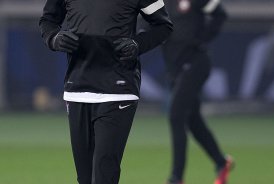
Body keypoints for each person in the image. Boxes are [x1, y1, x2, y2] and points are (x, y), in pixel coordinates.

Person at [39, 0, 173, 183]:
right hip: (77, 88)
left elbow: (163, 26)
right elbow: (48, 20)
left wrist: (137, 44)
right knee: (85, 179)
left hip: (118, 89)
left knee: (104, 176)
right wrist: (54, 39)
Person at [162, 0, 233, 184]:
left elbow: (220, 13)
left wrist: (201, 39)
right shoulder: (159, 2)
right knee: (193, 121)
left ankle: (176, 178)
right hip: (174, 67)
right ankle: (221, 162)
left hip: (195, 62)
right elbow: (145, 25)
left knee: (176, 115)